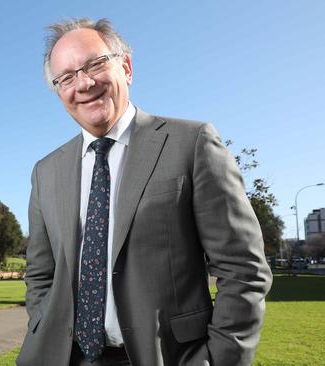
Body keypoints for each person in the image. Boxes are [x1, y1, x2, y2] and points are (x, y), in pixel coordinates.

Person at [17, 18, 272, 366]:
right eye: (67, 77)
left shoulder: (191, 144)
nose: (84, 83)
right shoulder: (45, 171)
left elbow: (243, 269)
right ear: (60, 92)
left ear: (126, 66)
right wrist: (43, 322)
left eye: (95, 64)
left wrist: (217, 359)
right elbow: (40, 274)